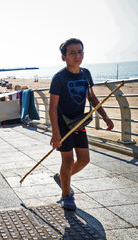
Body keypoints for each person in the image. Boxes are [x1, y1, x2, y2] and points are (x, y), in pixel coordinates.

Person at [49, 38, 114, 210]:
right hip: (63, 124)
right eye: (72, 53)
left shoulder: (86, 74)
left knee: (84, 159)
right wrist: (55, 133)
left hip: (79, 123)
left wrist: (105, 117)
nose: (77, 56)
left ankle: (61, 178)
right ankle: (66, 195)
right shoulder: (59, 78)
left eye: (80, 52)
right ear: (64, 57)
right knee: (68, 160)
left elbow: (91, 97)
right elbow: (53, 107)